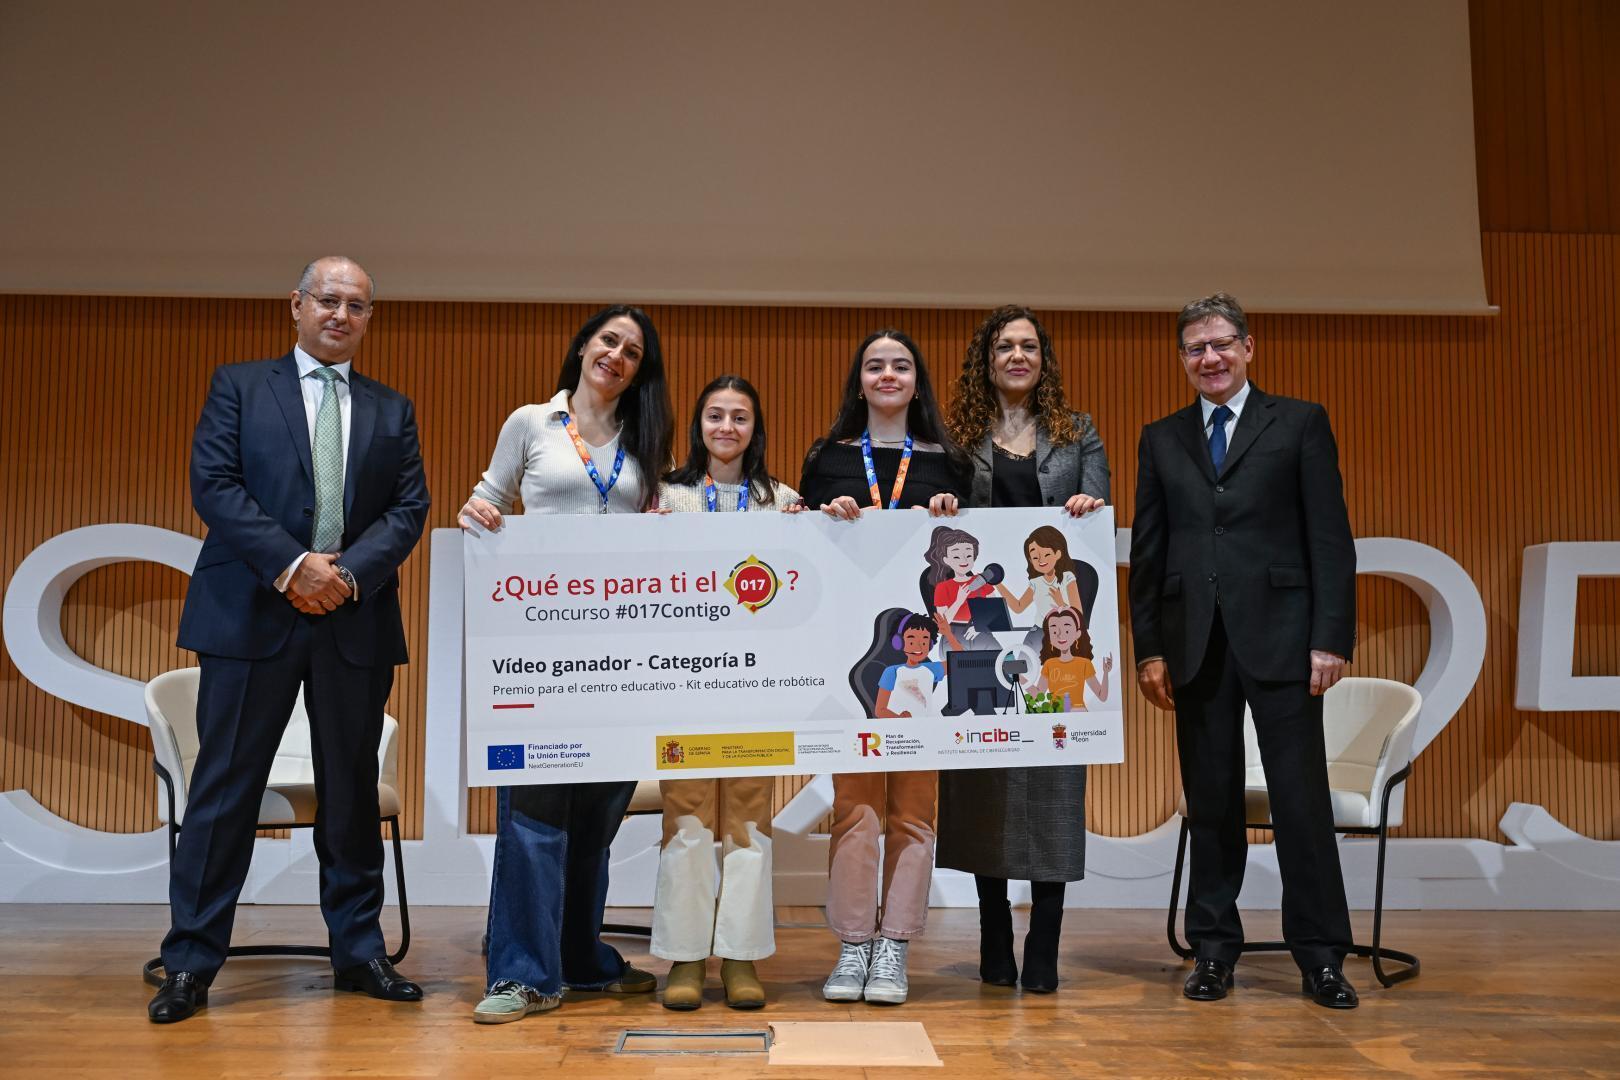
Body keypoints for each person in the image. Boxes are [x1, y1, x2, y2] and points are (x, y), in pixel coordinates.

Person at [150, 256, 431, 1023]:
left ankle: (359, 953)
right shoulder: (240, 386)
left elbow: (409, 508)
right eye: (328, 300)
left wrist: (344, 575)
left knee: (351, 796)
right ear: (297, 306)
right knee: (224, 794)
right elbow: (215, 485)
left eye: (358, 305)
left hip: (353, 618)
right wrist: (292, 566)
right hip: (249, 614)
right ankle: (190, 962)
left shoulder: (392, 408)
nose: (342, 314)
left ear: (369, 319)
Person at [1129, 292, 1359, 1009]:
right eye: (1196, 348)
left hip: (1286, 639)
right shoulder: (1161, 438)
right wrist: (1149, 649)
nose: (1211, 358)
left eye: (1222, 343)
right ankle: (1213, 950)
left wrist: (1330, 637)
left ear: (1248, 348)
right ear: (1182, 359)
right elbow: (1149, 550)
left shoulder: (1299, 423)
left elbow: (1330, 539)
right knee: (1212, 801)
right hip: (1195, 642)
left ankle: (1321, 957)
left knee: (1300, 801)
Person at [457, 305, 673, 1024]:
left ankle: (580, 959)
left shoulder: (646, 440)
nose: (617, 355)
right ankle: (521, 974)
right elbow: (486, 500)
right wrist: (478, 515)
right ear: (583, 346)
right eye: (609, 341)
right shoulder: (531, 423)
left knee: (597, 817)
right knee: (535, 811)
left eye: (633, 351)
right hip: (539, 653)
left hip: (622, 656)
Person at [936, 304, 1108, 993]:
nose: (1017, 356)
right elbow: (938, 520)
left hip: (1056, 633)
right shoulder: (956, 437)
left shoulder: (1078, 432)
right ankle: (992, 935)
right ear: (987, 360)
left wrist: (1090, 508)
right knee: (983, 778)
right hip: (982, 631)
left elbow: (1097, 519)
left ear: (1044, 359)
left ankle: (1046, 941)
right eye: (1004, 346)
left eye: (1029, 346)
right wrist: (941, 507)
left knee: (1054, 781)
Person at [798, 329, 971, 1005]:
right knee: (856, 807)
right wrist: (827, 513)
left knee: (915, 811)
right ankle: (852, 943)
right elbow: (804, 548)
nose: (888, 375)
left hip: (929, 659)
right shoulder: (829, 457)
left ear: (917, 379)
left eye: (901, 365)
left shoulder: (949, 461)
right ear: (860, 379)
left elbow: (968, 555)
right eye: (875, 365)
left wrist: (951, 516)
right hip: (853, 655)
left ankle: (894, 944)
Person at [651, 374, 801, 1011]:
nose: (727, 427)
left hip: (757, 685)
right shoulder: (664, 495)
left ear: (755, 428)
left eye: (740, 417)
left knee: (748, 822)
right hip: (683, 682)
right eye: (715, 415)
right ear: (699, 425)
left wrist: (806, 531)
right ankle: (686, 955)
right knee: (687, 821)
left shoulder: (783, 500)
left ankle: (740, 955)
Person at [1023, 608, 1112, 710]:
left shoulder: (1084, 663)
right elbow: (1038, 695)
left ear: (1077, 633)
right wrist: (1019, 677)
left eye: (1067, 631)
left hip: (1078, 712)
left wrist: (1106, 673)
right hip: (1056, 714)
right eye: (1054, 632)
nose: (1060, 635)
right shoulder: (1049, 664)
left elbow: (1102, 696)